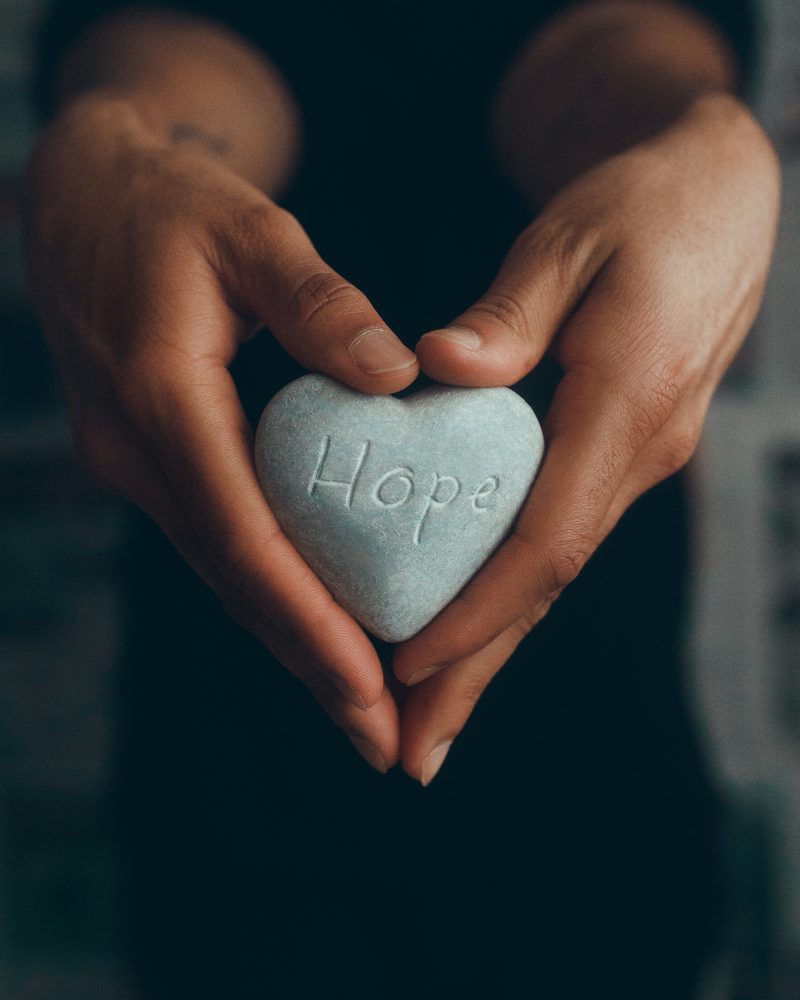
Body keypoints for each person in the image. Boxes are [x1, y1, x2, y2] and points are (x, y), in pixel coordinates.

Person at [23, 0, 778, 996]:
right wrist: (120, 138)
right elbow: (181, 52)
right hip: (226, 805)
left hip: (592, 798)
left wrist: (695, 134)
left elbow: (611, 57)